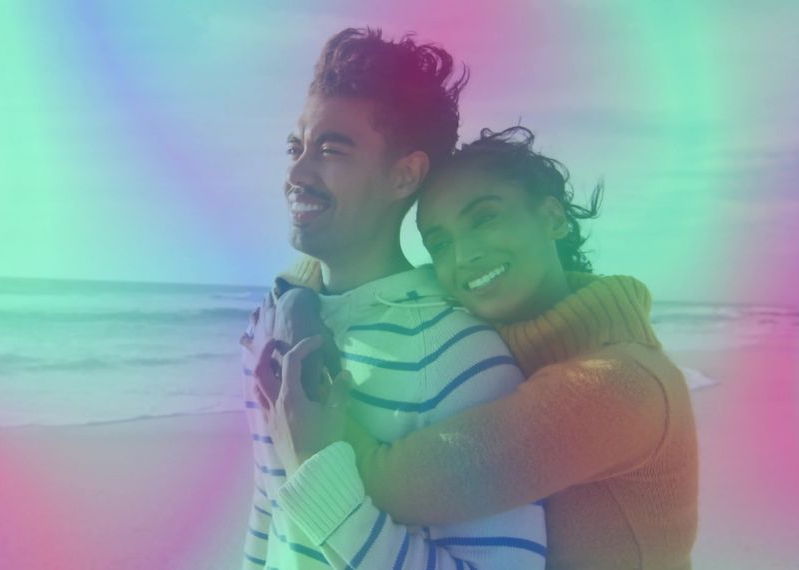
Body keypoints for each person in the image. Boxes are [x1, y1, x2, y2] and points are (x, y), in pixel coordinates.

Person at [268, 127, 699, 569]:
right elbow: (375, 279)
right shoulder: (493, 328)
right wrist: (301, 290)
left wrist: (309, 426)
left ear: (553, 218)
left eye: (485, 218)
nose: (464, 255)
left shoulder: (618, 385)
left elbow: (391, 481)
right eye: (440, 242)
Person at [239, 29, 546, 569]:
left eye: (331, 150)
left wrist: (319, 475)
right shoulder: (269, 328)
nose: (296, 173)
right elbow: (269, 515)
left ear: (404, 175)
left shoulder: (460, 356)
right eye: (296, 147)